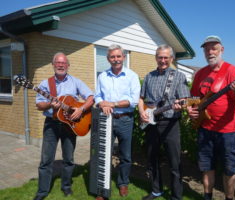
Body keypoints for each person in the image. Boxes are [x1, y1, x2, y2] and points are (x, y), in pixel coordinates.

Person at [187, 35, 235, 200]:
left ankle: (229, 198)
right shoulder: (200, 73)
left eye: (213, 48)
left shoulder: (231, 70)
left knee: (229, 169)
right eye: (206, 49)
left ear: (222, 49)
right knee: (207, 167)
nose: (210, 52)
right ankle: (207, 197)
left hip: (227, 132)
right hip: (204, 128)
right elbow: (193, 97)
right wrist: (190, 110)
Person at [33, 52, 94, 200]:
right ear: (53, 65)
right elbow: (39, 105)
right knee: (46, 160)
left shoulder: (75, 82)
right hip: (51, 125)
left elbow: (91, 97)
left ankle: (66, 186)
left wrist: (80, 109)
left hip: (70, 125)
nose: (61, 65)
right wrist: (49, 104)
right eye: (58, 63)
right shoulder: (45, 84)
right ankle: (42, 191)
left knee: (68, 158)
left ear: (68, 65)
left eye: (63, 63)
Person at [138, 44, 190, 200]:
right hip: (151, 124)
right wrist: (141, 112)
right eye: (160, 57)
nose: (163, 60)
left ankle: (176, 196)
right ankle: (156, 190)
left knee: (175, 163)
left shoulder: (179, 76)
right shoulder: (148, 76)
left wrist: (179, 106)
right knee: (152, 158)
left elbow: (185, 101)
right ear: (156, 57)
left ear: (171, 58)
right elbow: (141, 98)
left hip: (170, 124)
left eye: (166, 57)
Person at [94, 44, 140, 200]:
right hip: (106, 119)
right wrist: (101, 103)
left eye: (118, 56)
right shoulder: (102, 76)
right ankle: (102, 188)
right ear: (108, 59)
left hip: (125, 119)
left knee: (125, 155)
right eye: (112, 57)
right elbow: (97, 96)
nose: (116, 59)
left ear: (124, 57)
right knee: (104, 153)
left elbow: (133, 101)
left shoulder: (132, 76)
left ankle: (123, 183)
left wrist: (112, 104)